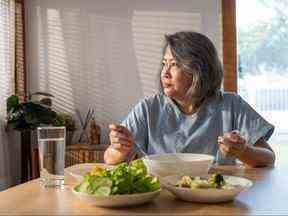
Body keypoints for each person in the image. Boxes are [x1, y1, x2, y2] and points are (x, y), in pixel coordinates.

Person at [104, 31, 275, 167]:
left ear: (199, 70)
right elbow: (109, 158)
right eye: (164, 64)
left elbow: (269, 157)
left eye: (175, 64)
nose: (165, 73)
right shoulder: (148, 108)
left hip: (215, 196)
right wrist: (119, 150)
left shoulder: (232, 105)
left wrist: (243, 151)